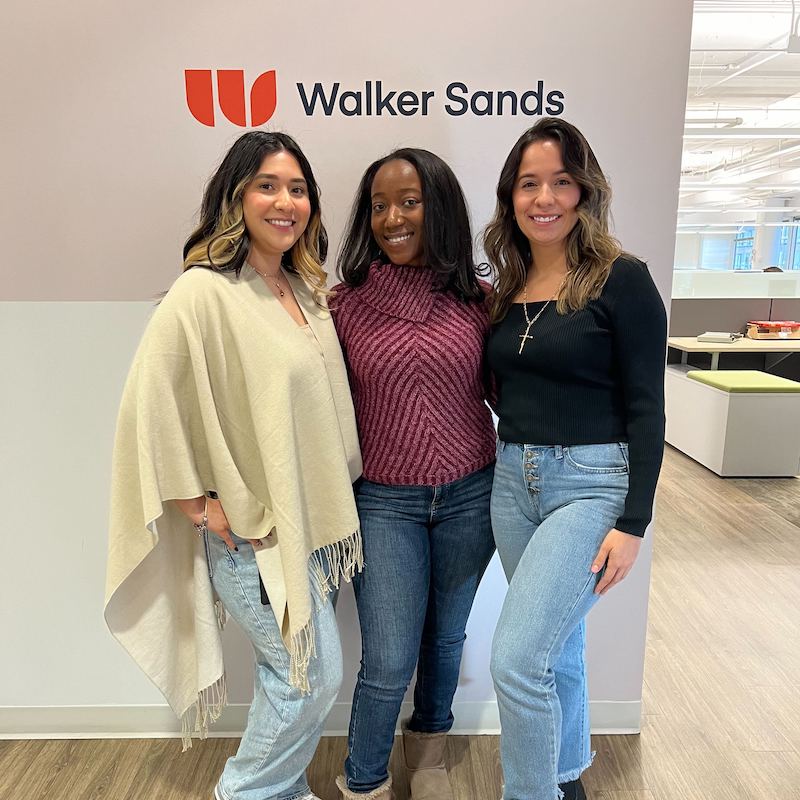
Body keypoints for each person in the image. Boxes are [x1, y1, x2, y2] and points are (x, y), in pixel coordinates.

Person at [104, 131, 363, 800]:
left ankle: (283, 792)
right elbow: (149, 403)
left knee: (299, 681)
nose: (286, 201)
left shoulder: (303, 289)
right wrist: (197, 504)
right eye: (268, 186)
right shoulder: (204, 292)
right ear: (236, 196)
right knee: (310, 680)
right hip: (252, 539)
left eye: (298, 188)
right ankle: (243, 792)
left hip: (308, 527)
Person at [483, 118, 667, 800]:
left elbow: (648, 408)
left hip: (592, 486)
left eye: (561, 181)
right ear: (511, 197)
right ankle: (564, 780)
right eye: (529, 183)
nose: (545, 197)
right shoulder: (507, 286)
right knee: (556, 648)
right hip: (513, 482)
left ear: (585, 190)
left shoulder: (623, 280)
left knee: (516, 659)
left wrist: (633, 522)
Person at [331, 148, 497, 800]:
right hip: (383, 503)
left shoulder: (478, 300)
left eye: (408, 201)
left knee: (446, 639)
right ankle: (364, 780)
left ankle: (428, 755)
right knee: (389, 658)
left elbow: (504, 394)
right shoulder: (344, 307)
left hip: (470, 494)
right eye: (378, 205)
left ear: (440, 207)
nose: (392, 218)